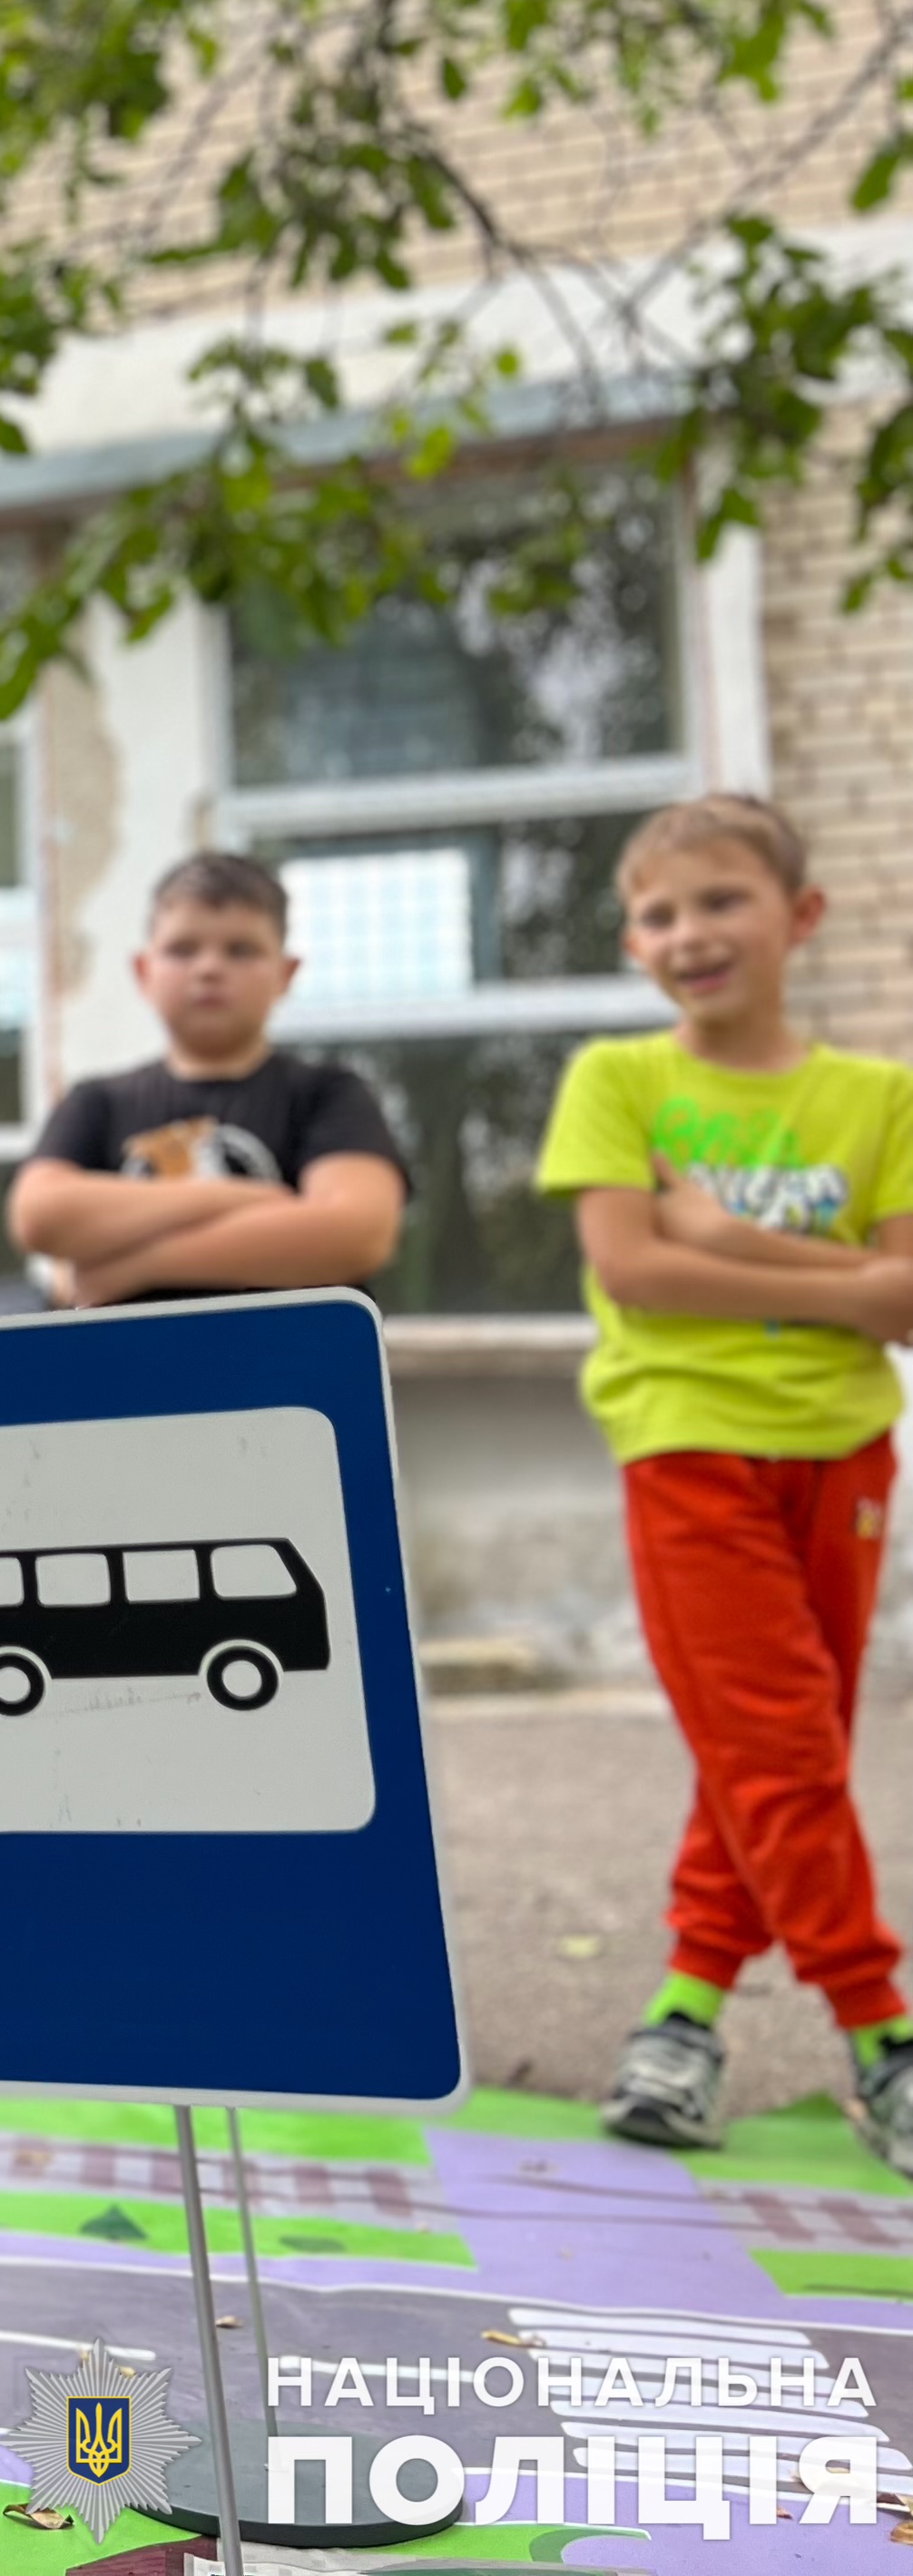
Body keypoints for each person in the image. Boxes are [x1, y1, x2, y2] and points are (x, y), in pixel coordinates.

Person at [533, 795, 913, 2177]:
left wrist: (731, 1237)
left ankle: (684, 2018)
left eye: (721, 900)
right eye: (658, 912)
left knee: (770, 1750)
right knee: (780, 1747)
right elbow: (635, 1270)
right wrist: (845, 1277)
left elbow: (909, 1302)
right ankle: (884, 2035)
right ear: (633, 943)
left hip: (845, 1455)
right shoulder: (618, 1080)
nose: (688, 932)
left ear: (801, 916)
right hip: (685, 1443)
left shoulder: (880, 1098)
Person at [6, 852, 408, 1303]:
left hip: (285, 1351)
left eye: (241, 950)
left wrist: (138, 1266)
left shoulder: (328, 1095)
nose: (209, 968)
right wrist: (246, 1199)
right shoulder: (98, 1102)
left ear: (286, 973)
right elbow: (40, 1216)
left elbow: (354, 1235)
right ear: (143, 971)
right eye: (182, 949)